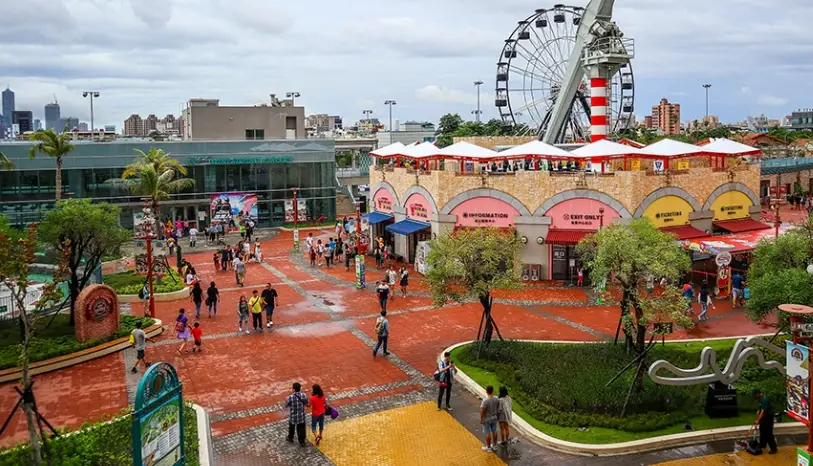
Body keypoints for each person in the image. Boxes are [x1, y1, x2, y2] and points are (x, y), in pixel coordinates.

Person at [753, 388, 778, 454]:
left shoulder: (765, 399)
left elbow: (763, 412)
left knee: (768, 433)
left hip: (768, 418)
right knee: (762, 431)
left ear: (758, 393)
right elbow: (760, 408)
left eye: (755, 395)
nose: (754, 396)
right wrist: (758, 411)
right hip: (763, 418)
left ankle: (773, 449)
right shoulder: (760, 399)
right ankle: (762, 445)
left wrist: (758, 420)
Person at [286, 382, 310, 447]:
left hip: (293, 416)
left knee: (291, 427)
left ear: (293, 389)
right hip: (301, 416)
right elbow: (306, 402)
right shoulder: (304, 395)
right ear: (300, 388)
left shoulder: (290, 397)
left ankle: (290, 437)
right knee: (301, 428)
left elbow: (286, 405)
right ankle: (302, 441)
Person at [480, 385, 500, 453]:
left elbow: (482, 411)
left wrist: (481, 419)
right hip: (494, 417)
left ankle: (488, 447)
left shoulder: (485, 401)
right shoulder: (496, 398)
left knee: (487, 432)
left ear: (486, 391)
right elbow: (497, 407)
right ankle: (494, 446)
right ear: (492, 391)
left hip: (487, 418)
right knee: (494, 431)